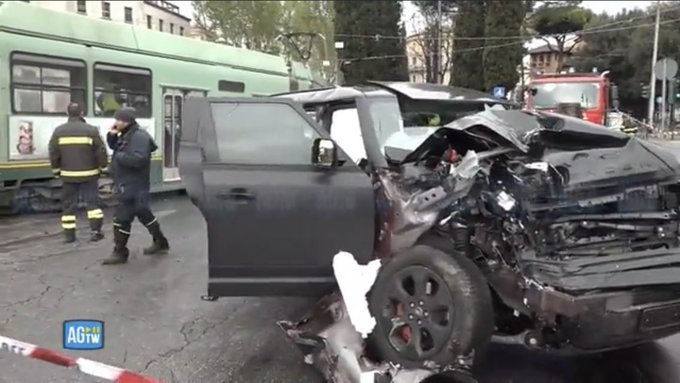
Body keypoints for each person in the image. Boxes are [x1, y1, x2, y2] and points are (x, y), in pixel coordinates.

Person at [102, 107, 169, 265]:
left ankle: (120, 252)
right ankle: (161, 242)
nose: (115, 122)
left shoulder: (139, 137)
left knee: (121, 218)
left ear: (126, 121)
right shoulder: (127, 134)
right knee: (143, 212)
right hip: (128, 183)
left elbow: (139, 159)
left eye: (118, 119)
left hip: (133, 184)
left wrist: (118, 156)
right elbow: (116, 147)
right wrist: (111, 136)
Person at [48, 103, 108, 243]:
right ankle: (96, 232)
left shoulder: (59, 131)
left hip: (68, 176)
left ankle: (69, 236)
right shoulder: (91, 130)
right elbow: (101, 151)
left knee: (68, 207)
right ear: (81, 112)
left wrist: (56, 170)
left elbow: (53, 152)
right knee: (92, 204)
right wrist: (103, 168)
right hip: (90, 175)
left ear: (67, 113)